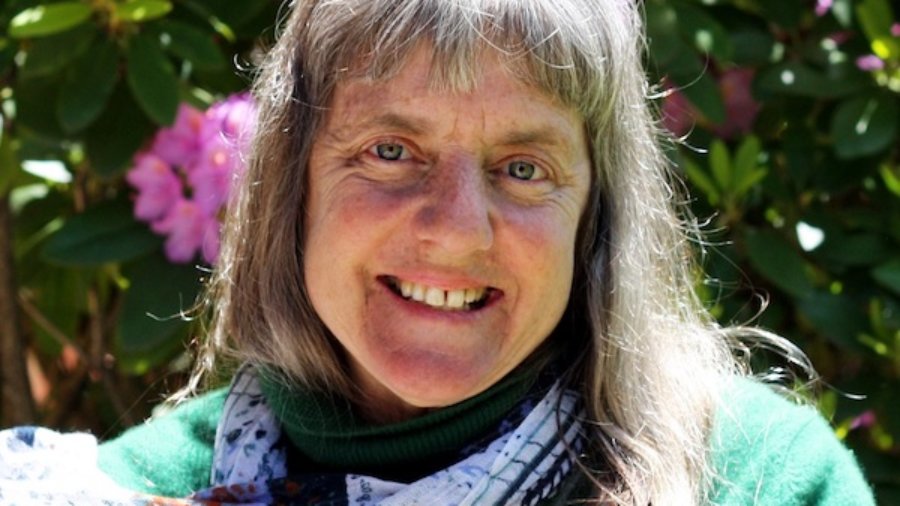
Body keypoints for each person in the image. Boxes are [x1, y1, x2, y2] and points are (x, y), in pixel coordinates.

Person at [0, 0, 876, 504]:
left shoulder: (763, 481)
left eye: (523, 168)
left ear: (595, 214)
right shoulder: (138, 488)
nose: (456, 228)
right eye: (390, 151)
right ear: (291, 187)